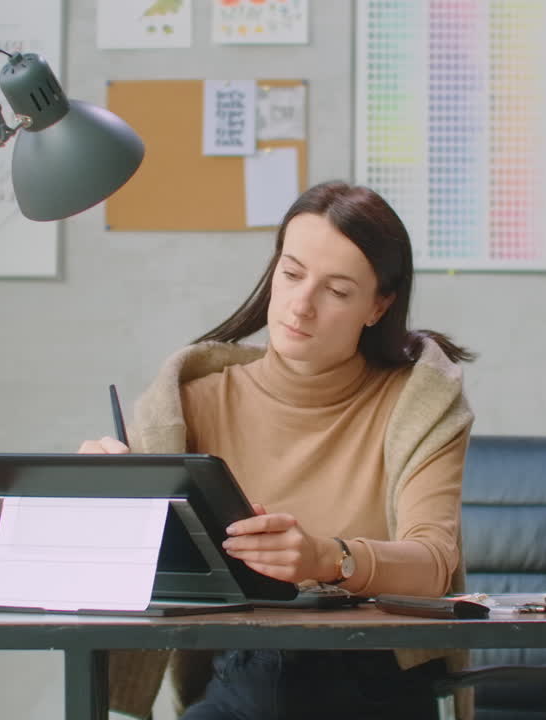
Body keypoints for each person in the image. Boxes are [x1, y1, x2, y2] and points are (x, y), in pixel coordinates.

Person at [80, 180, 476, 720]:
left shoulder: (417, 404)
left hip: (374, 679)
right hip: (241, 680)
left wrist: (327, 559)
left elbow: (433, 566)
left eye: (337, 292)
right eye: (290, 275)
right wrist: (98, 504)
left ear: (378, 305)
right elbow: (138, 574)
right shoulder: (189, 405)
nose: (301, 306)